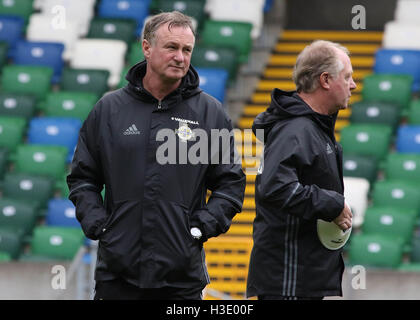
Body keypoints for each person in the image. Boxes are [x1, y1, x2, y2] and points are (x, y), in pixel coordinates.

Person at [67, 11, 246, 300]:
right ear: (147, 48)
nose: (180, 57)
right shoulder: (109, 109)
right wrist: (100, 225)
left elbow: (231, 185)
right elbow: (83, 178)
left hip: (181, 282)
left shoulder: (210, 113)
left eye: (187, 50)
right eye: (172, 47)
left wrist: (199, 229)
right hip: (117, 276)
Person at [246, 40, 356, 300]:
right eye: (348, 77)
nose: (353, 85)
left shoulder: (312, 128)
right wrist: (333, 205)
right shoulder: (296, 129)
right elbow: (276, 187)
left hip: (301, 278)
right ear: (326, 79)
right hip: (287, 280)